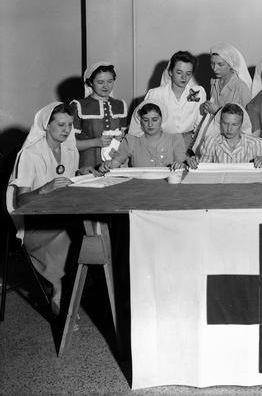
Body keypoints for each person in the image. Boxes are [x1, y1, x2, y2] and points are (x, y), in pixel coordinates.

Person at [8, 102, 95, 314]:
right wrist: (44, 189)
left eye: (70, 125)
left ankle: (80, 286)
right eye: (61, 124)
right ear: (47, 125)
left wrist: (82, 174)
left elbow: (68, 183)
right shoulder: (29, 154)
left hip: (62, 214)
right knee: (77, 236)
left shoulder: (69, 148)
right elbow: (20, 202)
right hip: (35, 223)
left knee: (94, 228)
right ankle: (60, 286)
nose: (66, 130)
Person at [128, 51, 206, 152]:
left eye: (188, 73)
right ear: (170, 72)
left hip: (189, 144)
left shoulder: (198, 92)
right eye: (179, 72)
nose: (184, 77)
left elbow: (201, 122)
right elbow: (143, 122)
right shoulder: (155, 94)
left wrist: (194, 145)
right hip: (162, 143)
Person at [71, 61, 128, 168]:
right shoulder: (79, 106)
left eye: (110, 81)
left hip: (114, 165)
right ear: (91, 82)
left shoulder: (120, 105)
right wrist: (96, 142)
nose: (106, 86)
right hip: (87, 165)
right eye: (100, 82)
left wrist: (120, 141)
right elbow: (68, 144)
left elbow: (125, 141)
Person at [100, 101, 187, 171]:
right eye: (145, 120)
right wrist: (107, 166)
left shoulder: (175, 139)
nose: (150, 124)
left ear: (162, 119)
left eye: (155, 120)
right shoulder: (132, 140)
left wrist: (180, 164)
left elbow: (181, 162)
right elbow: (116, 161)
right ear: (140, 121)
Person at [190, 103, 262, 167]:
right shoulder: (211, 141)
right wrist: (194, 163)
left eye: (235, 124)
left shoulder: (256, 143)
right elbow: (203, 168)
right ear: (220, 122)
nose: (229, 129)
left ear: (241, 124)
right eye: (225, 123)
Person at [200, 43, 252, 116]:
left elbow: (246, 119)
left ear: (231, 64)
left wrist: (217, 111)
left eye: (220, 64)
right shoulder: (214, 81)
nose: (215, 68)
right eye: (212, 63)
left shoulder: (241, 87)